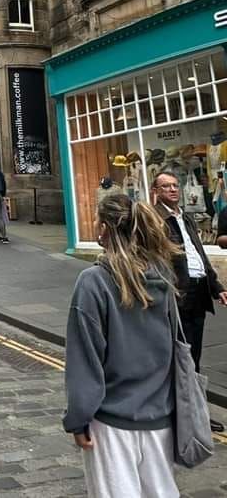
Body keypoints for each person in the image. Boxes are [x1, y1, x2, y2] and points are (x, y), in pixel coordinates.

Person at [64, 192, 181, 498]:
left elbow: (84, 359)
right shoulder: (162, 275)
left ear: (104, 229)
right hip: (160, 416)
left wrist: (78, 417)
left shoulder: (93, 282)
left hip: (111, 422)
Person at [153, 169, 227, 432]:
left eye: (175, 185)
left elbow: (199, 255)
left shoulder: (186, 217)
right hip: (178, 295)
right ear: (156, 192)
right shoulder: (155, 219)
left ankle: (195, 412)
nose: (173, 190)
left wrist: (216, 285)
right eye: (166, 186)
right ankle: (182, 414)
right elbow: (156, 259)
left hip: (198, 292)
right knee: (180, 356)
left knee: (193, 356)